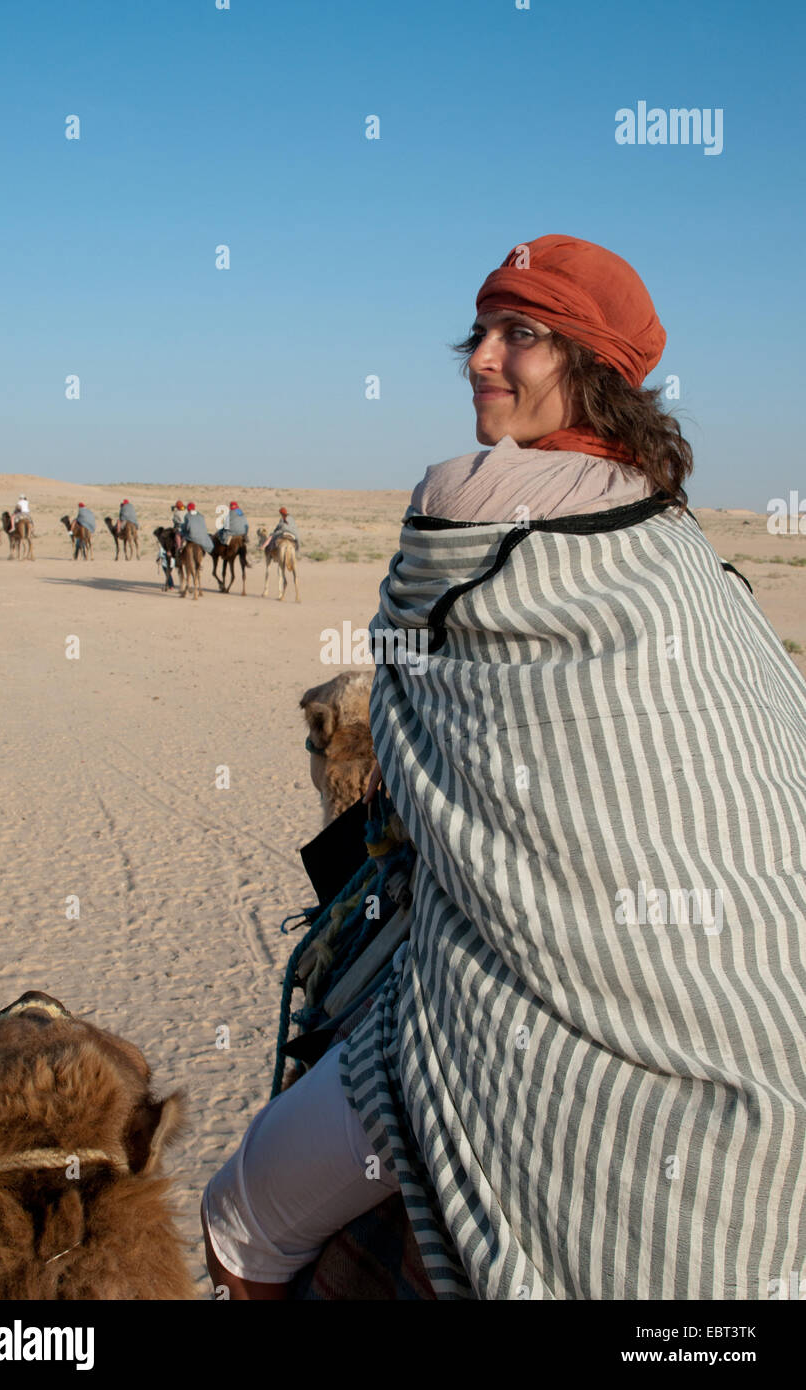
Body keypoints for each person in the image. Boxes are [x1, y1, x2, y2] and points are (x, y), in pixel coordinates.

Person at [202, 234, 806, 1302]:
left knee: (233, 1222)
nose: (481, 357)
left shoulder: (469, 508)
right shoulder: (686, 549)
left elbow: (406, 721)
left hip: (522, 999)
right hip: (762, 1006)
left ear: (592, 368)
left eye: (519, 335)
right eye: (478, 332)